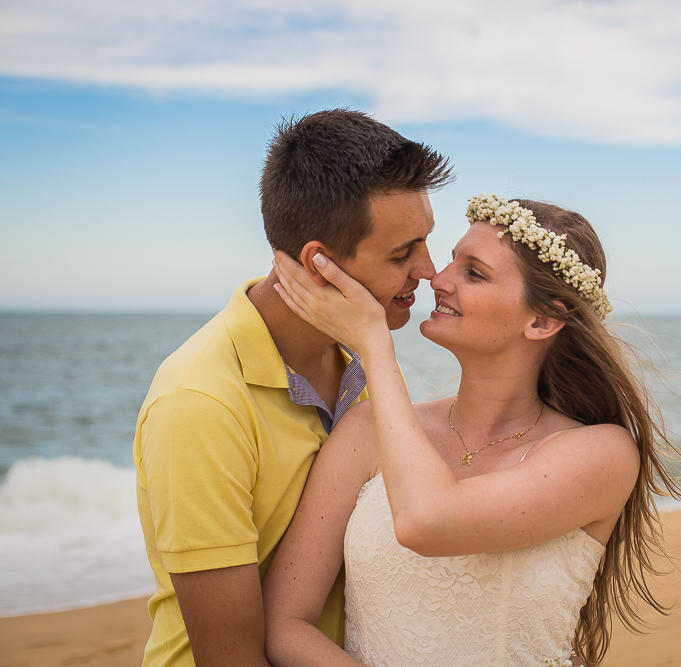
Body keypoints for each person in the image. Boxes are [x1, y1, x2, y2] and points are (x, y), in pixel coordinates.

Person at [262, 194, 681, 666]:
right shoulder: (365, 431)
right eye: (451, 261)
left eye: (474, 272)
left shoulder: (601, 455)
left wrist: (373, 344)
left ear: (542, 319)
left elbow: (426, 522)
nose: (438, 279)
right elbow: (286, 625)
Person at [133, 109, 452, 667]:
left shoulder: (365, 357)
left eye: (425, 242)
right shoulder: (200, 406)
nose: (428, 270)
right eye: (402, 253)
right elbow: (232, 658)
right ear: (320, 263)